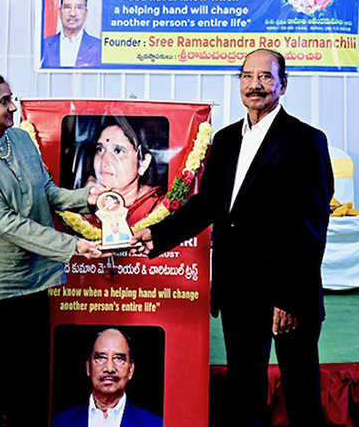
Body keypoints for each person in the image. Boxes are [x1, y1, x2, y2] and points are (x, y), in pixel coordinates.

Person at [131, 49, 333, 427]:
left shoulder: (306, 140)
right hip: (238, 290)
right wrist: (157, 235)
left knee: (300, 390)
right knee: (244, 391)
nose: (255, 85)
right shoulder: (225, 140)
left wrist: (288, 297)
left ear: (283, 85)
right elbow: (207, 205)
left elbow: (311, 224)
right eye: (247, 76)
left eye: (266, 77)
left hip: (287, 294)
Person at [0, 73, 107, 427]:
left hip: (32, 282)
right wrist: (74, 245)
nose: (13, 107)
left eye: (12, 98)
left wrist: (89, 199)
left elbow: (47, 192)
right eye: (4, 101)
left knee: (31, 389)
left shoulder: (21, 139)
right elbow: (3, 221)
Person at [52, 328, 163, 427]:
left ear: (131, 370)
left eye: (119, 359)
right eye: (101, 358)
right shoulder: (59, 423)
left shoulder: (157, 424)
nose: (109, 368)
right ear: (88, 367)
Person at [85, 117, 165, 228]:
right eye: (100, 150)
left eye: (118, 151)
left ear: (143, 163)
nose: (104, 162)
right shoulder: (82, 203)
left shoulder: (159, 208)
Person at [41, 0, 102, 68]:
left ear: (86, 14)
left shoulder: (100, 48)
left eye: (78, 8)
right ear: (59, 12)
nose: (72, 13)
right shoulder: (43, 46)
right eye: (67, 7)